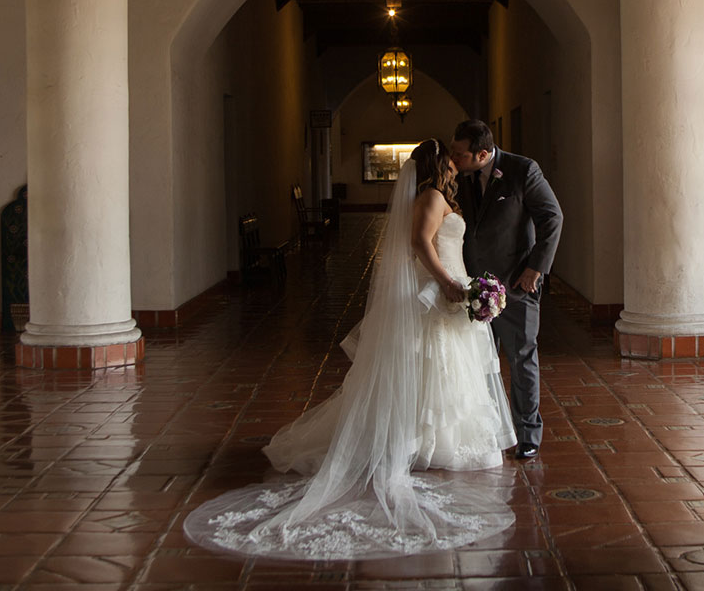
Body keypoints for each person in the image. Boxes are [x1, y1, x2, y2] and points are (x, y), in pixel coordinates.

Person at [182, 139, 516, 560]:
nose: (454, 163)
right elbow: (420, 243)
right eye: (448, 158)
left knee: (441, 365)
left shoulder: (437, 195)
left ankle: (434, 439)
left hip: (450, 291)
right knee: (432, 362)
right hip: (438, 291)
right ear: (437, 165)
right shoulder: (430, 197)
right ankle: (420, 440)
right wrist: (449, 284)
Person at [450, 119, 562, 461]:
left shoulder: (523, 171)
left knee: (521, 358)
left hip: (515, 285)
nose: (453, 159)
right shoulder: (461, 178)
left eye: (460, 153)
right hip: (472, 287)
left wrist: (535, 269)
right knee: (480, 362)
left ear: (483, 154)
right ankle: (489, 430)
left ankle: (528, 434)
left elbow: (552, 218)